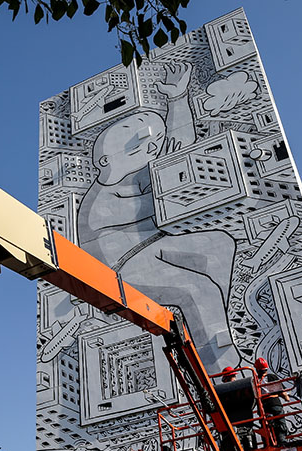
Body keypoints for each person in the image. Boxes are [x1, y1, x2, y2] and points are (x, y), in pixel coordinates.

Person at [75, 61, 240, 372]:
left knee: (219, 243)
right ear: (105, 160)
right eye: (142, 146)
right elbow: (165, 187)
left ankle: (207, 331)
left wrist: (177, 100)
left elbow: (177, 148)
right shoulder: (105, 192)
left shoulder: (138, 171)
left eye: (154, 143)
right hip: (119, 265)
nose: (152, 149)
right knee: (197, 288)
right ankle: (222, 369)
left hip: (152, 245)